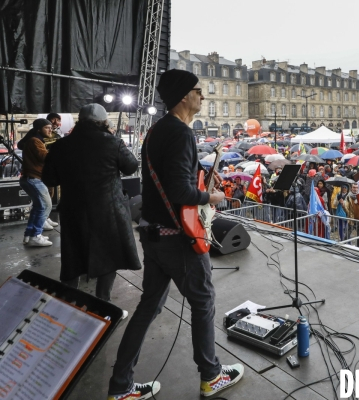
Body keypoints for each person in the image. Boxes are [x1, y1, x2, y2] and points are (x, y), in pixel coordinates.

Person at [107, 69, 243, 400]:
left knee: (149, 307)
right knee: (204, 301)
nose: (203, 96)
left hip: (152, 235)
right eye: (199, 91)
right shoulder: (181, 133)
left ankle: (120, 386)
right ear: (184, 96)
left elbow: (165, 185)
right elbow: (181, 191)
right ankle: (211, 376)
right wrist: (213, 197)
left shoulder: (156, 131)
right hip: (175, 239)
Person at [42, 104, 141, 302]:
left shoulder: (61, 145)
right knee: (109, 256)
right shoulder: (113, 142)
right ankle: (103, 302)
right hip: (109, 212)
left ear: (80, 121)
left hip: (73, 211)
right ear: (104, 121)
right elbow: (131, 167)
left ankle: (68, 301)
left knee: (73, 256)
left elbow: (49, 179)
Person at [17, 119, 54, 246]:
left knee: (38, 207)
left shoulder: (34, 140)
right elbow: (44, 157)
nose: (51, 130)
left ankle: (29, 235)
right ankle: (35, 235)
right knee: (46, 206)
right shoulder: (34, 141)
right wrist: (57, 151)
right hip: (34, 179)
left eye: (51, 127)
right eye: (47, 128)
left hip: (31, 178)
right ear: (38, 129)